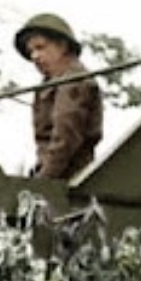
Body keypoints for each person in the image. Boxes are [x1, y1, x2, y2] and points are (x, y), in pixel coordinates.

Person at [15, 12, 103, 181]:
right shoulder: (47, 85)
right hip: (53, 177)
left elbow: (65, 139)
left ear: (62, 46)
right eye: (31, 51)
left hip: (72, 180)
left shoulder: (74, 80)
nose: (34, 56)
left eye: (40, 47)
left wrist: (43, 181)